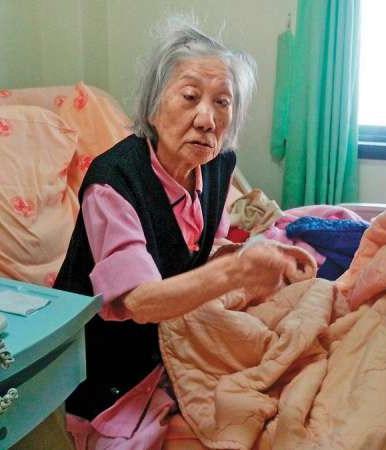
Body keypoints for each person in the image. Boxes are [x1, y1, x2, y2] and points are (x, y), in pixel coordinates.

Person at [53, 21, 303, 436]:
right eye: (189, 97)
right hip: (104, 365)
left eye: (222, 102)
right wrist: (235, 272)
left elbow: (205, 248)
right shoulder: (113, 183)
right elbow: (140, 303)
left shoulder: (218, 164)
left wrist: (254, 257)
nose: (206, 119)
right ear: (153, 107)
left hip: (170, 338)